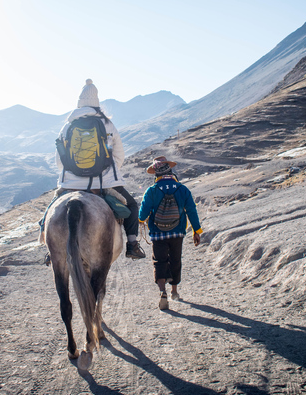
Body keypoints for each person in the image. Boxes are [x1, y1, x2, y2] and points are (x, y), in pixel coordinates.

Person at [42, 79, 146, 262]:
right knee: (131, 205)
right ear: (97, 102)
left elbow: (60, 161)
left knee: (50, 212)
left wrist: (75, 176)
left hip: (72, 185)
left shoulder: (67, 127)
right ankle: (132, 244)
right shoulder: (107, 125)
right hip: (104, 183)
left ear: (79, 102)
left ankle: (51, 250)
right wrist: (105, 174)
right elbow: (119, 156)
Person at [138, 156, 203, 310]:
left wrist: (141, 220)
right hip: (177, 232)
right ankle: (174, 291)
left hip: (157, 234)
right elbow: (192, 211)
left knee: (159, 261)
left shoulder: (151, 191)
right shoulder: (182, 189)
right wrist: (196, 231)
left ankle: (162, 292)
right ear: (170, 170)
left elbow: (142, 215)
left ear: (156, 173)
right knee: (175, 260)